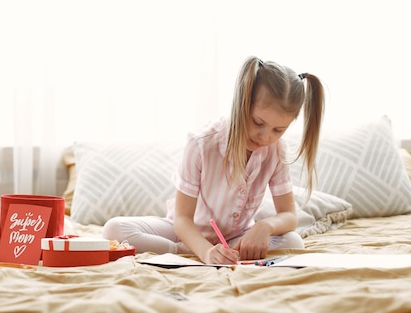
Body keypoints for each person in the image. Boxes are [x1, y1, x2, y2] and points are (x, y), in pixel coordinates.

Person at [102, 56, 324, 264]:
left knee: (294, 241)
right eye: (258, 122)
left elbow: (289, 215)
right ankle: (189, 252)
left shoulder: (276, 151)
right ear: (242, 103)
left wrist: (264, 226)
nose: (265, 137)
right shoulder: (201, 143)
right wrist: (206, 252)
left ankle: (224, 252)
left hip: (237, 236)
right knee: (114, 230)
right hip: (184, 233)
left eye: (278, 129)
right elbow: (182, 220)